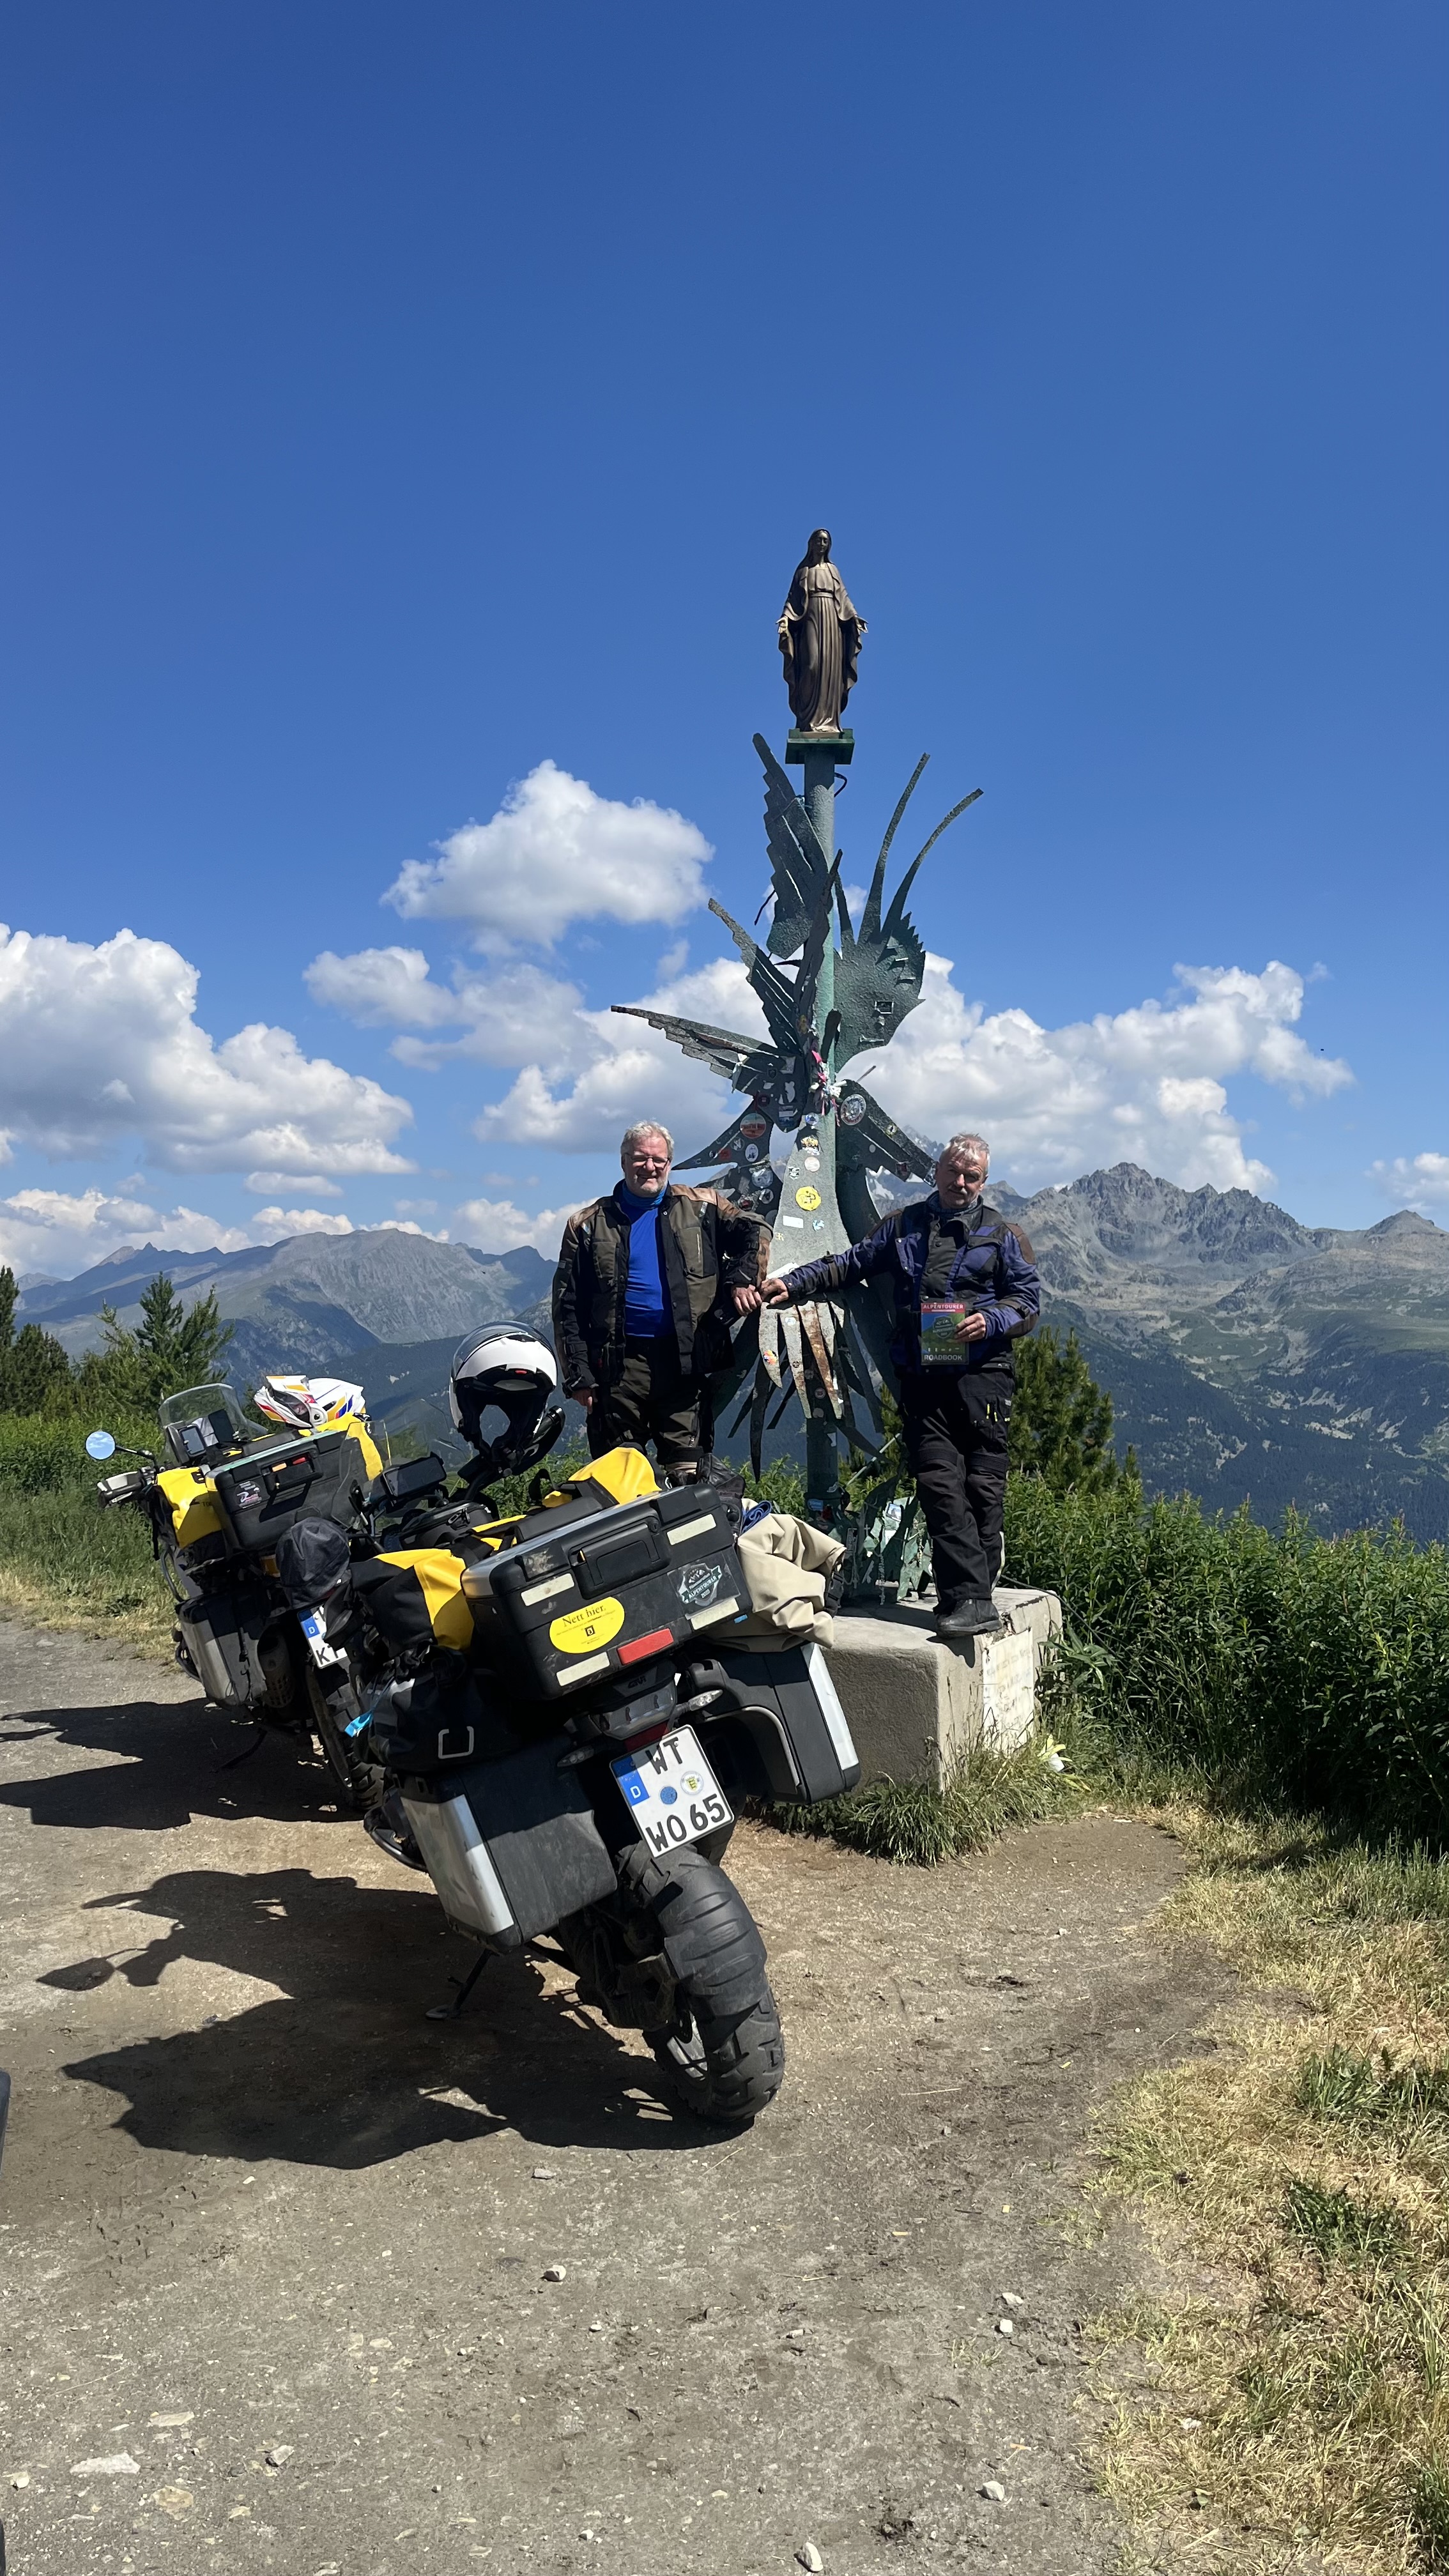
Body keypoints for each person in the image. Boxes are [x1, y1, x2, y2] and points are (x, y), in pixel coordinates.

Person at [737, 1132, 1038, 1637]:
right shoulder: (903, 1226)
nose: (960, 1182)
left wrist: (991, 1320)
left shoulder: (1003, 1234)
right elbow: (849, 1263)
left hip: (984, 1380)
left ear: (983, 1182)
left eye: (972, 1177)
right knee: (939, 1485)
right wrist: (794, 1282)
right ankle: (967, 1599)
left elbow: (1027, 1302)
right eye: (953, 1172)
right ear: (937, 1171)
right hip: (923, 1380)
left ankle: (975, 1592)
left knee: (983, 1490)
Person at [553, 1121, 767, 1480]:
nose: (649, 1167)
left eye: (659, 1160)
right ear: (623, 1162)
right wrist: (578, 1375)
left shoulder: (703, 1207)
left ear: (669, 1163)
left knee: (690, 1477)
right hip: (618, 1369)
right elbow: (567, 1305)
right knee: (617, 1480)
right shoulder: (587, 1225)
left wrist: (742, 1279)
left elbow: (755, 1229)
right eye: (640, 1159)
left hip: (685, 1362)